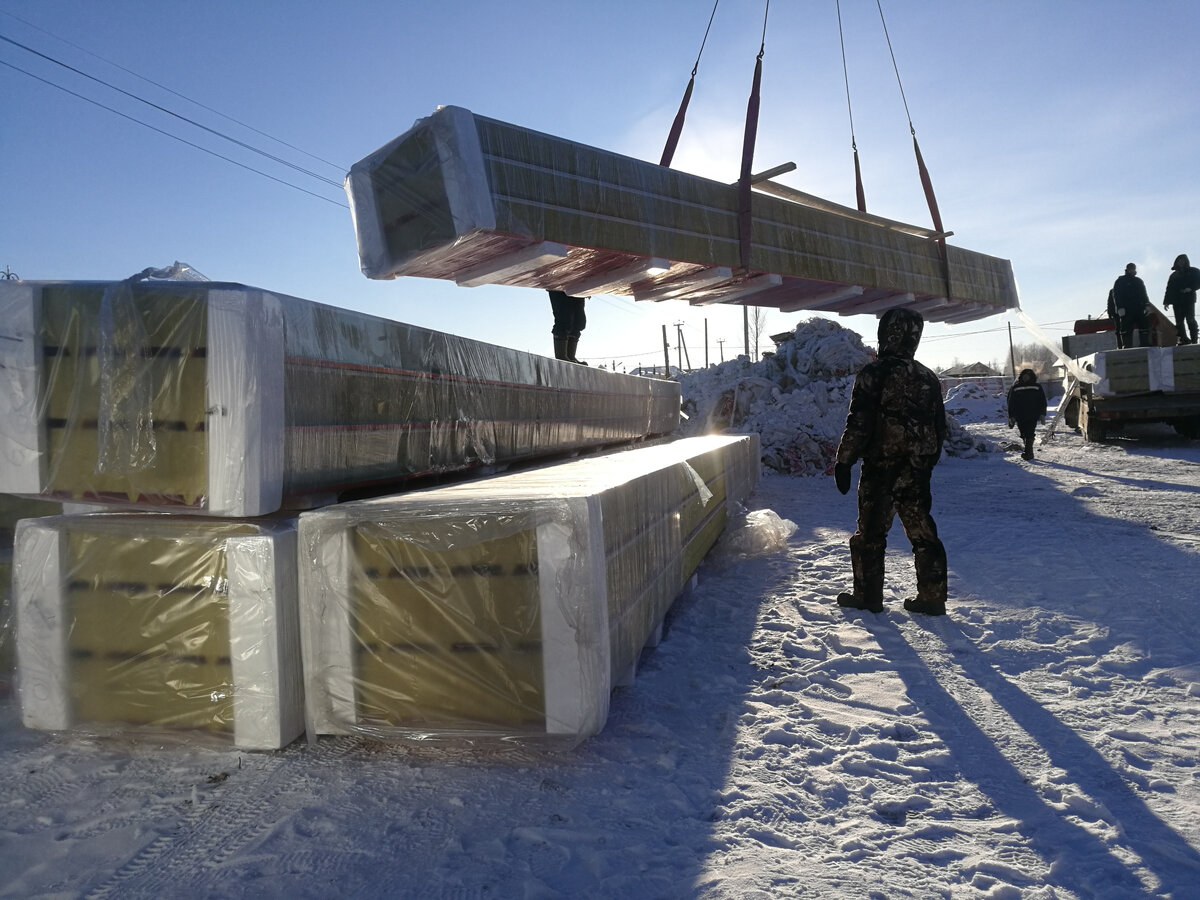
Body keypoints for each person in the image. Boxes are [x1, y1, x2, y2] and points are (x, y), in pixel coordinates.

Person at [833, 307, 948, 616]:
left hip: (880, 467)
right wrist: (925, 461)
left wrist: (844, 461)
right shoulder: (928, 377)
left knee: (870, 533)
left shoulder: (874, 373)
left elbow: (859, 422)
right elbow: (940, 428)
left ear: (887, 334)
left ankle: (868, 596)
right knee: (923, 533)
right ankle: (932, 598)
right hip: (916, 468)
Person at [1007, 368, 1048, 461]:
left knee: (1030, 432)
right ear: (1021, 377)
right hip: (1019, 415)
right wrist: (1011, 416)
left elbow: (1042, 401)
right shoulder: (1015, 387)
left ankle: (1029, 453)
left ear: (1031, 377)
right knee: (1023, 433)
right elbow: (1011, 402)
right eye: (1024, 376)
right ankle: (1028, 450)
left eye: (1027, 376)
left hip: (1032, 415)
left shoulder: (1037, 387)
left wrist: (1042, 414)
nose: (1025, 378)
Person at [1111, 263, 1151, 348]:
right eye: (1131, 269)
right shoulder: (1120, 281)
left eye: (1134, 269)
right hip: (1127, 309)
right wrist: (1119, 307)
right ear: (1127, 269)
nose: (1133, 270)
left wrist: (1147, 304)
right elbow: (1117, 295)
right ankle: (1127, 345)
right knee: (1126, 328)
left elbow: (1144, 294)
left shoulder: (1138, 281)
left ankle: (1145, 344)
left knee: (1144, 326)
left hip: (1139, 308)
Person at [1163, 254, 1200, 345]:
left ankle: (1194, 340)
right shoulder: (1173, 275)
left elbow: (1198, 282)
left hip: (1188, 299)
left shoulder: (1194, 271)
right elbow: (1169, 288)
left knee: (1190, 320)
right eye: (1179, 261)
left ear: (1186, 261)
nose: (1181, 262)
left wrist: (1191, 288)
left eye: (1183, 261)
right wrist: (1166, 302)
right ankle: (1184, 340)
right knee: (1179, 322)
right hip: (1177, 301)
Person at [547, 290, 587, 364]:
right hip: (559, 287)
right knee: (564, 319)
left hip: (577, 286)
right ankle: (562, 356)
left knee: (579, 322)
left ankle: (571, 356)